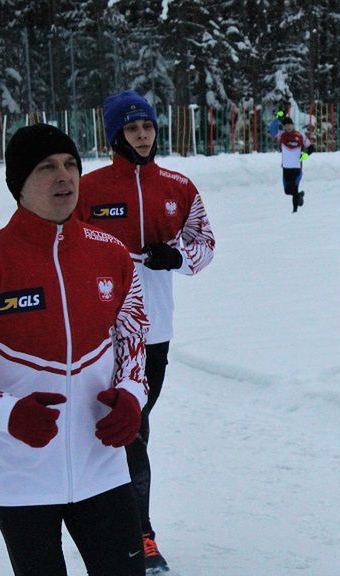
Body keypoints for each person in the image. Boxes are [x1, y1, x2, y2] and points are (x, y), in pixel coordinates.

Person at [0, 123, 149, 575]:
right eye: (47, 167)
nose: (65, 177)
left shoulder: (112, 255)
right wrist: (4, 414)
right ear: (19, 184)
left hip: (101, 465)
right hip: (20, 476)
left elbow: (134, 335)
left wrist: (133, 397)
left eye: (71, 165)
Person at [76, 90, 216, 575]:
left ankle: (129, 529)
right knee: (123, 430)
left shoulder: (178, 186)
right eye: (132, 128)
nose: (142, 134)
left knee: (133, 427)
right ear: (116, 134)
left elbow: (206, 243)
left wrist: (179, 257)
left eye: (148, 127)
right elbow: (63, 243)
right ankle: (139, 533)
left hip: (155, 330)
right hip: (98, 331)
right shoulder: (89, 189)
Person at [278, 116, 314, 212]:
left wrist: (304, 156)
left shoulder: (300, 136)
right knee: (287, 191)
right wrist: (279, 114)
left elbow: (311, 148)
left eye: (290, 125)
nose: (288, 127)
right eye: (286, 125)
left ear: (292, 125)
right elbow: (272, 128)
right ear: (283, 127)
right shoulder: (281, 135)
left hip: (296, 168)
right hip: (286, 168)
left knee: (294, 189)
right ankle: (300, 196)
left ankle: (295, 211)